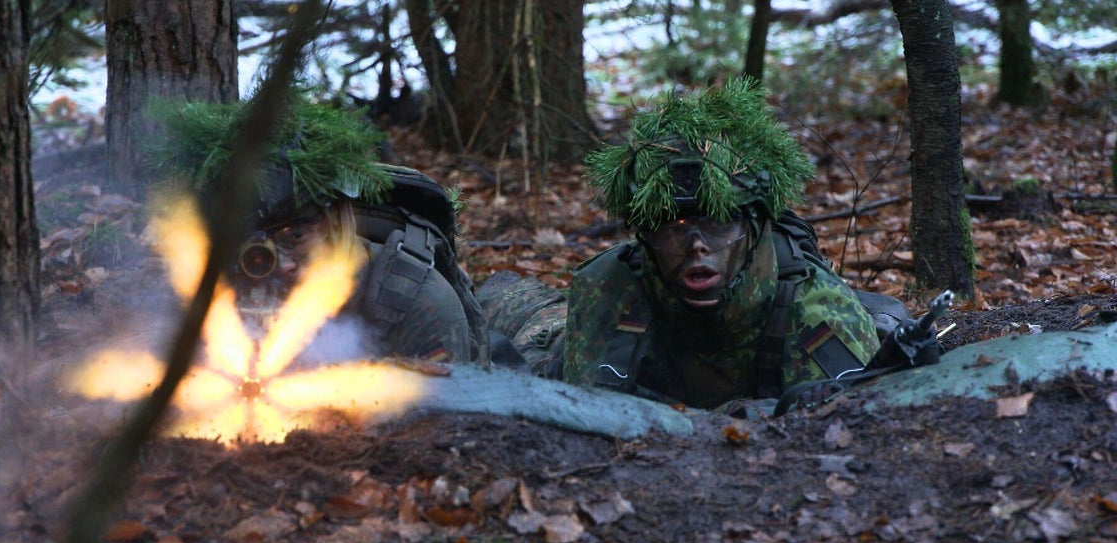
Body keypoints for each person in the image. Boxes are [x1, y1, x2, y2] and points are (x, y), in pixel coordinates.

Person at [482, 78, 884, 411]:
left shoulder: (815, 308)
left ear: (757, 227)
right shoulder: (610, 284)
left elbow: (845, 423)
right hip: (554, 340)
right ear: (646, 239)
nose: (696, 246)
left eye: (718, 223)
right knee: (511, 325)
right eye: (673, 228)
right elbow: (584, 408)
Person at [146, 95, 489, 366]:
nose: (280, 266)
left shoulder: (417, 302)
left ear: (336, 218)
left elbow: (454, 428)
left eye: (294, 236)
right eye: (250, 245)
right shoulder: (205, 292)